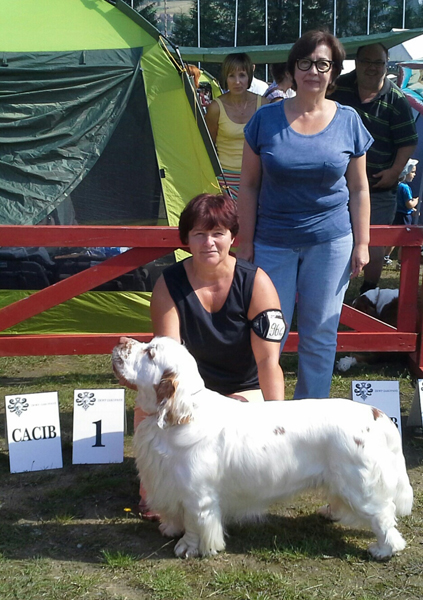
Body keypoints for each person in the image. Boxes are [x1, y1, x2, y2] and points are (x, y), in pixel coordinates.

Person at [237, 29, 372, 400]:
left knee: (320, 334)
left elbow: (360, 188)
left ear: (334, 72)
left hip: (330, 243)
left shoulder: (349, 121)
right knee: (268, 331)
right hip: (272, 243)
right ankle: (265, 418)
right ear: (293, 68)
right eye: (305, 62)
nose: (314, 70)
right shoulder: (264, 121)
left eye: (323, 64)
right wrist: (245, 241)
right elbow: (247, 185)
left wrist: (363, 242)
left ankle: (309, 424)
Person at [133, 193, 285, 517]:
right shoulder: (168, 284)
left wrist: (277, 421)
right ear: (186, 239)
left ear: (233, 236)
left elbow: (268, 361)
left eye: (218, 233)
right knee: (145, 409)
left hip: (244, 387)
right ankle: (155, 491)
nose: (209, 243)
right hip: (192, 390)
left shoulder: (257, 284)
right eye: (199, 234)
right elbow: (166, 358)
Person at [330, 43, 418, 294]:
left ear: (386, 65)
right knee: (336, 241)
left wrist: (394, 172)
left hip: (378, 185)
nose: (372, 67)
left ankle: (368, 294)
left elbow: (408, 142)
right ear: (356, 63)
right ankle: (335, 294)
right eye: (367, 61)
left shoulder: (397, 99)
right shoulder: (337, 88)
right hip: (337, 183)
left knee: (374, 242)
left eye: (378, 62)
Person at [205, 53, 268, 199]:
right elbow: (209, 146)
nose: (237, 81)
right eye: (232, 75)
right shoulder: (215, 107)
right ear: (225, 78)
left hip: (257, 177)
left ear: (250, 77)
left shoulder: (263, 105)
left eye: (242, 75)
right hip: (224, 180)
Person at [384, 159, 419, 268]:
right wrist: (416, 201)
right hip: (404, 217)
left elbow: (401, 204)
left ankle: (385, 256)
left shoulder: (397, 185)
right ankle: (401, 261)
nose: (414, 174)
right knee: (405, 240)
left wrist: (411, 211)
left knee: (393, 239)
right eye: (412, 172)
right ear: (405, 172)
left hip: (396, 214)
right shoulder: (405, 187)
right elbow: (409, 204)